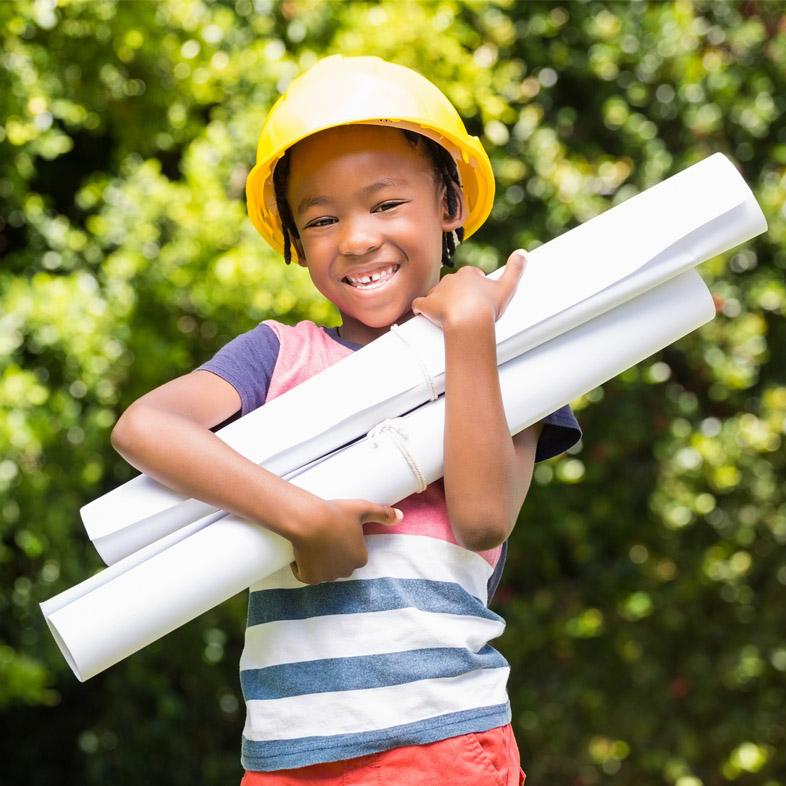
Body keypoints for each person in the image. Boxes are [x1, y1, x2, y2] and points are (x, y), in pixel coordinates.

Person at [110, 55, 581, 786]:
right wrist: (302, 517)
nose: (357, 239)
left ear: (450, 204)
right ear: (295, 242)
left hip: (437, 742)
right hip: (284, 755)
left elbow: (485, 519)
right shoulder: (278, 357)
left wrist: (467, 333)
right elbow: (146, 428)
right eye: (322, 218)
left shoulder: (505, 352)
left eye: (386, 204)